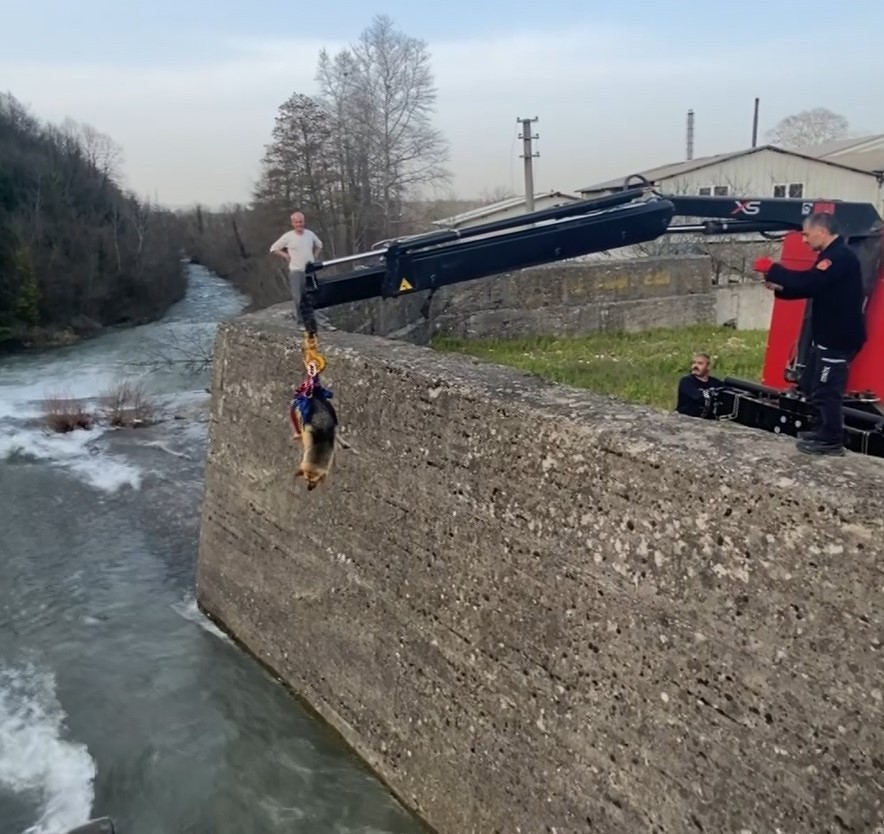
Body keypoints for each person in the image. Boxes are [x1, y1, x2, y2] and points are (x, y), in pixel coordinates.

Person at [753, 211, 867, 456]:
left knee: (828, 390)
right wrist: (780, 287)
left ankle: (832, 441)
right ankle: (821, 430)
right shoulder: (829, 256)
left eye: (806, 234)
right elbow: (815, 288)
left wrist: (773, 269)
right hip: (828, 337)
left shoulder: (839, 257)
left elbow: (810, 282)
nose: (803, 240)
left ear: (822, 231)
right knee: (811, 383)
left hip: (838, 339)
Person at [269, 211, 334, 332]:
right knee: (299, 298)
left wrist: (315, 256)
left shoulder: (310, 234)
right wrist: (285, 255)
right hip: (296, 272)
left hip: (310, 271)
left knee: (317, 296)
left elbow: (319, 244)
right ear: (292, 223)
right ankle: (301, 323)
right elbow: (273, 249)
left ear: (304, 222)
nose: (299, 224)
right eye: (296, 222)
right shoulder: (288, 236)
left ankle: (324, 323)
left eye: (301, 222)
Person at [676, 352, 723, 418]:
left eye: (700, 363)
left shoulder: (716, 383)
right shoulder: (686, 381)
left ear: (708, 366)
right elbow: (699, 397)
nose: (695, 366)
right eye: (694, 363)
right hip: (686, 420)